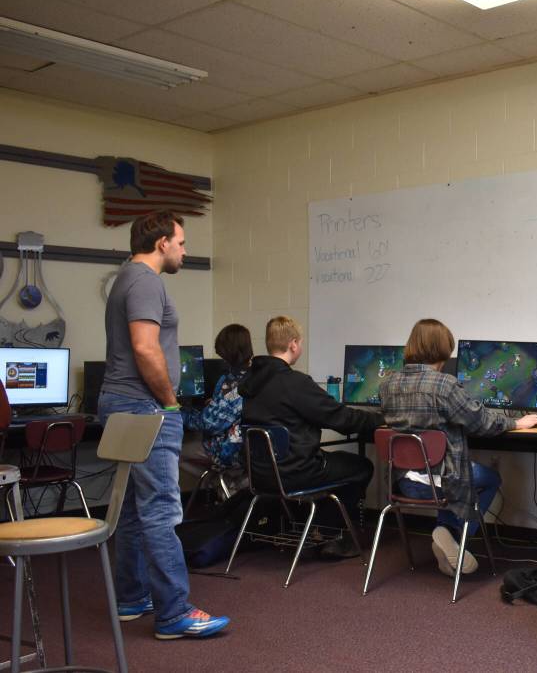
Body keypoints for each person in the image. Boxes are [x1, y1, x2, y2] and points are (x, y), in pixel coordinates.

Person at [98, 211, 229, 639]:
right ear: (161, 244)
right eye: (182, 243)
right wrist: (170, 404)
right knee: (161, 510)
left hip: (124, 403)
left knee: (136, 509)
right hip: (144, 406)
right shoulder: (146, 281)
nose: (185, 251)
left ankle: (132, 597)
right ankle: (174, 613)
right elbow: (144, 346)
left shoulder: (126, 278)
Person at [378, 319, 537, 577]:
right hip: (444, 479)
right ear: (443, 349)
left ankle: (447, 537)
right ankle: (454, 536)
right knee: (490, 478)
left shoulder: (387, 385)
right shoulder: (444, 385)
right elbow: (481, 421)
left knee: (464, 474)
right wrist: (517, 422)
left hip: (401, 481)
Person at [239, 316, 381, 559]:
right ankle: (327, 533)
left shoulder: (251, 383)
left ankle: (315, 528)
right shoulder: (294, 383)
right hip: (296, 471)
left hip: (260, 472)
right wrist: (382, 419)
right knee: (362, 467)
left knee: (335, 460)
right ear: (293, 344)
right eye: (300, 343)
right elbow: (340, 418)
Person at [184, 324, 253, 470]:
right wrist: (217, 405)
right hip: (252, 449)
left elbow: (207, 424)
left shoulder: (234, 384)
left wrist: (177, 411)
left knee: (175, 449)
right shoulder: (256, 374)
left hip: (230, 452)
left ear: (230, 354)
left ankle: (222, 483)